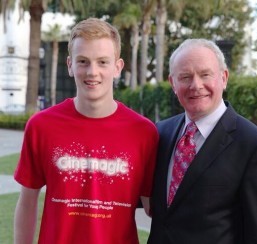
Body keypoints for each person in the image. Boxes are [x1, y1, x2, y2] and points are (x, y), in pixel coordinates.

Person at [14, 18, 158, 244]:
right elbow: (27, 202)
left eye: (102, 62)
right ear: (70, 65)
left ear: (117, 67)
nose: (92, 72)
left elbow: (154, 208)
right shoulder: (41, 126)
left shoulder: (144, 133)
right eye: (83, 61)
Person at [148, 38, 257, 244]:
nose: (196, 85)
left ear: (224, 78)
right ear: (172, 83)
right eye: (185, 77)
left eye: (205, 74)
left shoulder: (254, 146)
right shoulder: (160, 133)